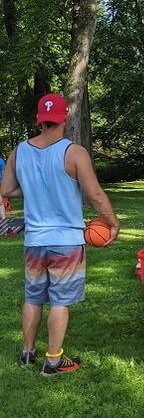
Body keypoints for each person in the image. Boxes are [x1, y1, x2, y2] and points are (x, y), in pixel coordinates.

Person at [0, 93, 120, 375]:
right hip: (66, 242)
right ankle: (53, 361)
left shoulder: (19, 151)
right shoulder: (74, 153)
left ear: (39, 120)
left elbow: (5, 190)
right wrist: (112, 222)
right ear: (65, 117)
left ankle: (27, 353)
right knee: (60, 301)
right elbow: (95, 195)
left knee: (33, 298)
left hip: (34, 241)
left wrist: (33, 190)